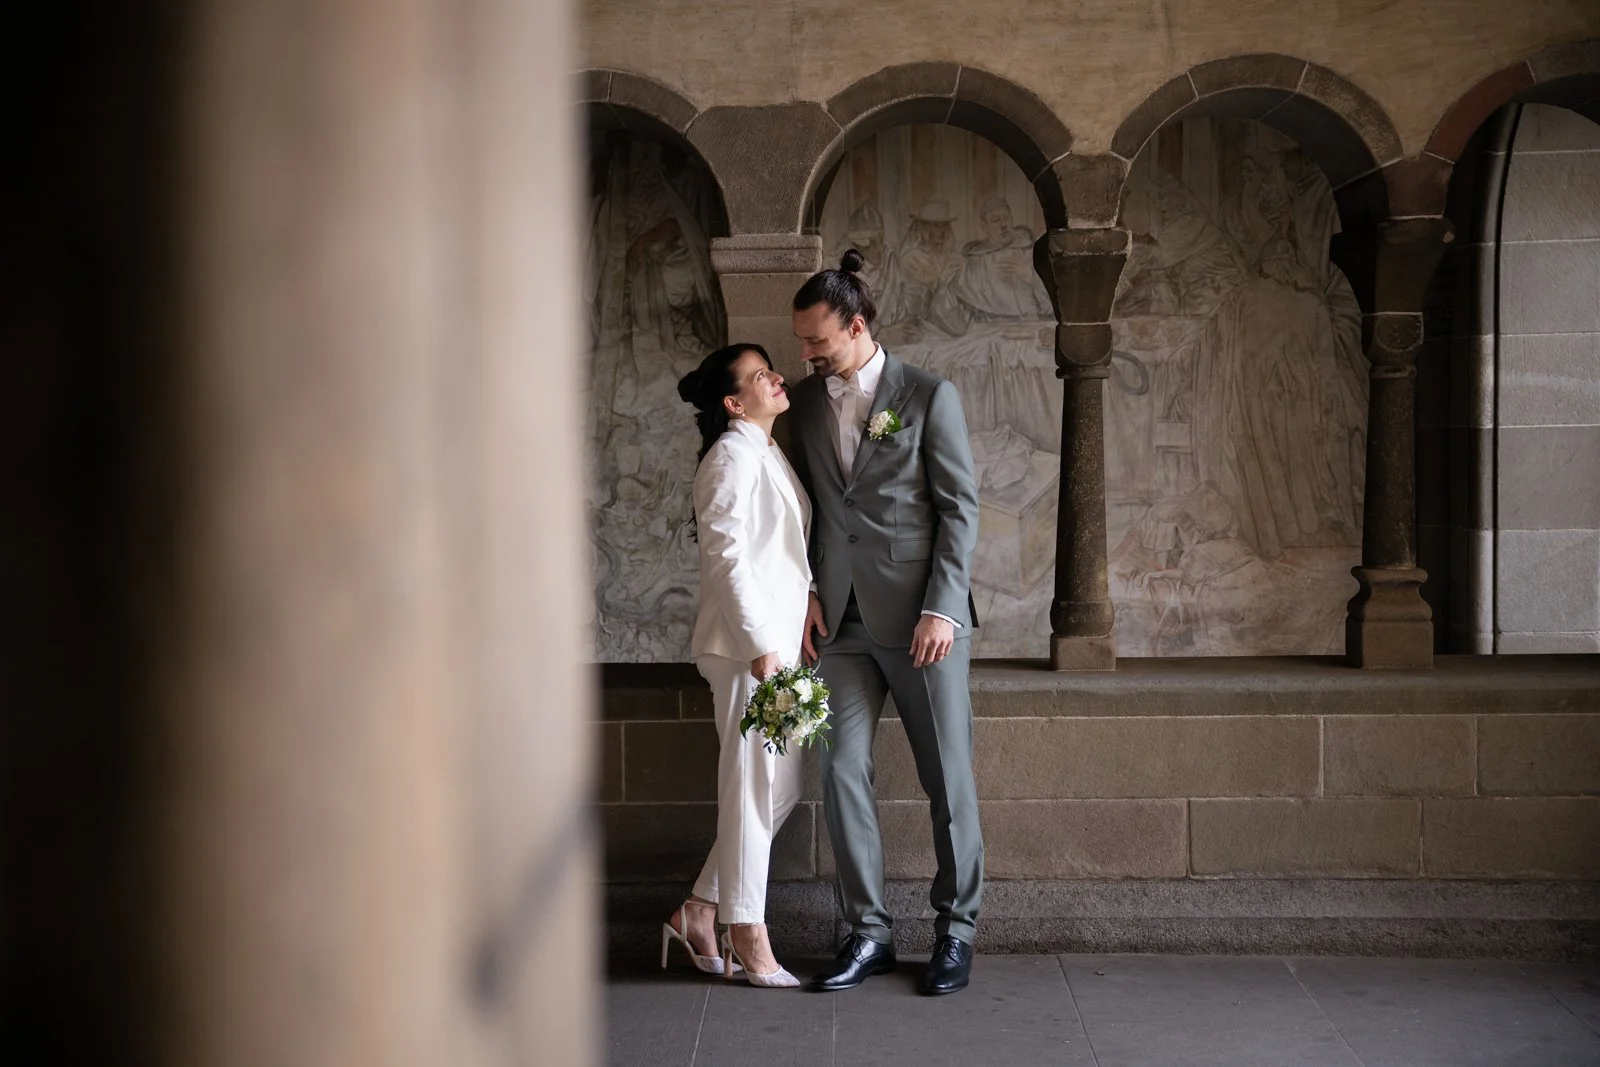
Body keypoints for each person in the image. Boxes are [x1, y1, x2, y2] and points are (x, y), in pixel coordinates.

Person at [786, 250, 984, 996]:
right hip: (839, 622)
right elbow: (805, 509)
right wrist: (807, 588)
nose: (805, 356)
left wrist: (943, 605)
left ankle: (956, 931)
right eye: (802, 342)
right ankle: (866, 931)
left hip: (923, 621)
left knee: (948, 778)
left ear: (857, 325)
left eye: (817, 343)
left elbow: (960, 509)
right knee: (839, 775)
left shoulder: (929, 395)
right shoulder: (805, 406)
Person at [663, 343, 813, 989]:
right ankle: (748, 934)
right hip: (746, 649)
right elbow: (725, 555)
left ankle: (699, 909)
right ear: (733, 401)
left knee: (781, 788)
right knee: (754, 787)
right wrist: (761, 644)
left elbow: (777, 551)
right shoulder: (730, 455)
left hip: (776, 641)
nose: (776, 377)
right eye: (760, 375)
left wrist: (806, 604)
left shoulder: (764, 450)